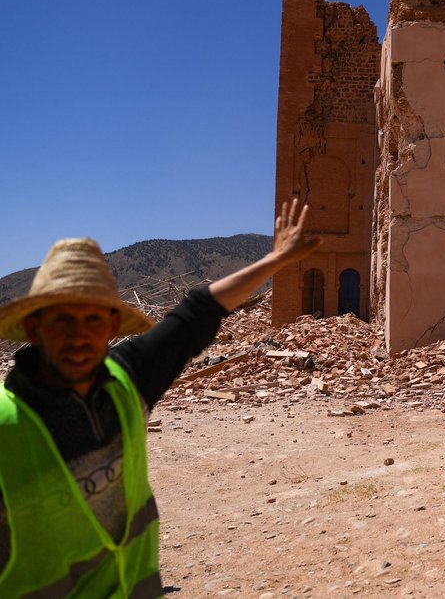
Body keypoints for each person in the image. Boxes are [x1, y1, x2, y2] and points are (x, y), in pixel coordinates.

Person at [0, 199, 320, 598]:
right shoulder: (6, 424)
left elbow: (196, 313)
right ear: (33, 328)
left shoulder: (125, 379)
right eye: (62, 320)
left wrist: (276, 260)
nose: (78, 336)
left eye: (93, 320)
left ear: (113, 325)